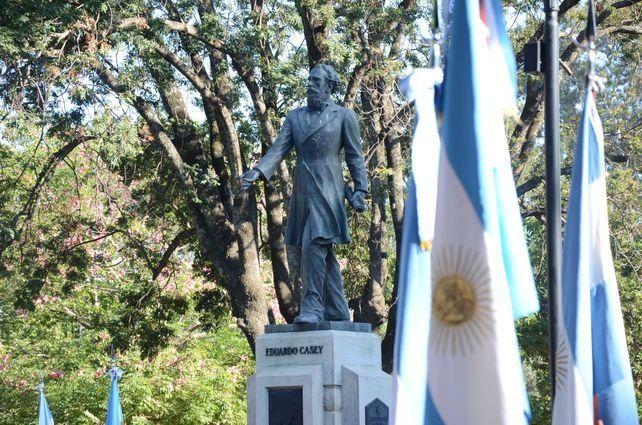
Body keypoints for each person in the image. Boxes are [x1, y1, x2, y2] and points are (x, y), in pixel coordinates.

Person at [240, 63, 368, 323]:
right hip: (303, 189)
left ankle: (312, 307)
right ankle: (338, 311)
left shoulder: (344, 116)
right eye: (310, 80)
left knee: (314, 244)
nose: (311, 85)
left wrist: (360, 190)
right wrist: (257, 171)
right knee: (321, 249)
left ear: (329, 87)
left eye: (317, 81)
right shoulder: (294, 117)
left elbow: (355, 157)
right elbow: (278, 149)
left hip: (330, 190)